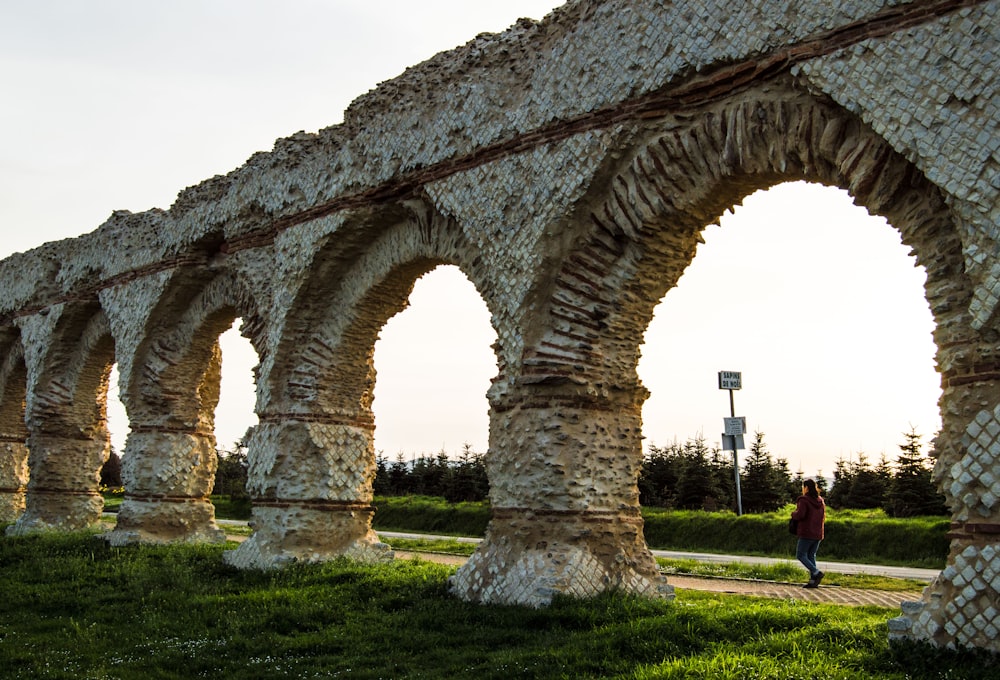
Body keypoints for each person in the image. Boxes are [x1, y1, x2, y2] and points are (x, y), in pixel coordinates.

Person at [791, 478, 826, 588]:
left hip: (806, 532)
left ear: (806, 488)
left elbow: (800, 515)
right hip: (818, 533)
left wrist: (793, 514)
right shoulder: (820, 501)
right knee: (811, 555)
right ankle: (813, 581)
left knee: (800, 554)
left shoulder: (804, 500)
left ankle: (816, 572)